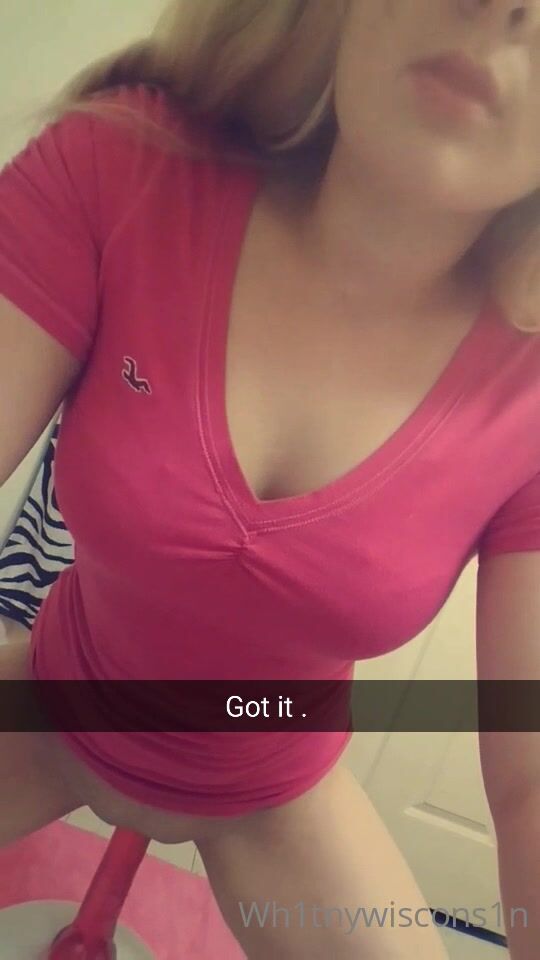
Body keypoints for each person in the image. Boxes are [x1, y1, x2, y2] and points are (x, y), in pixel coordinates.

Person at [1, 1, 540, 956]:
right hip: (54, 697)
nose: (509, 5)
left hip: (272, 784)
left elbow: (532, 779)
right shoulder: (121, 163)